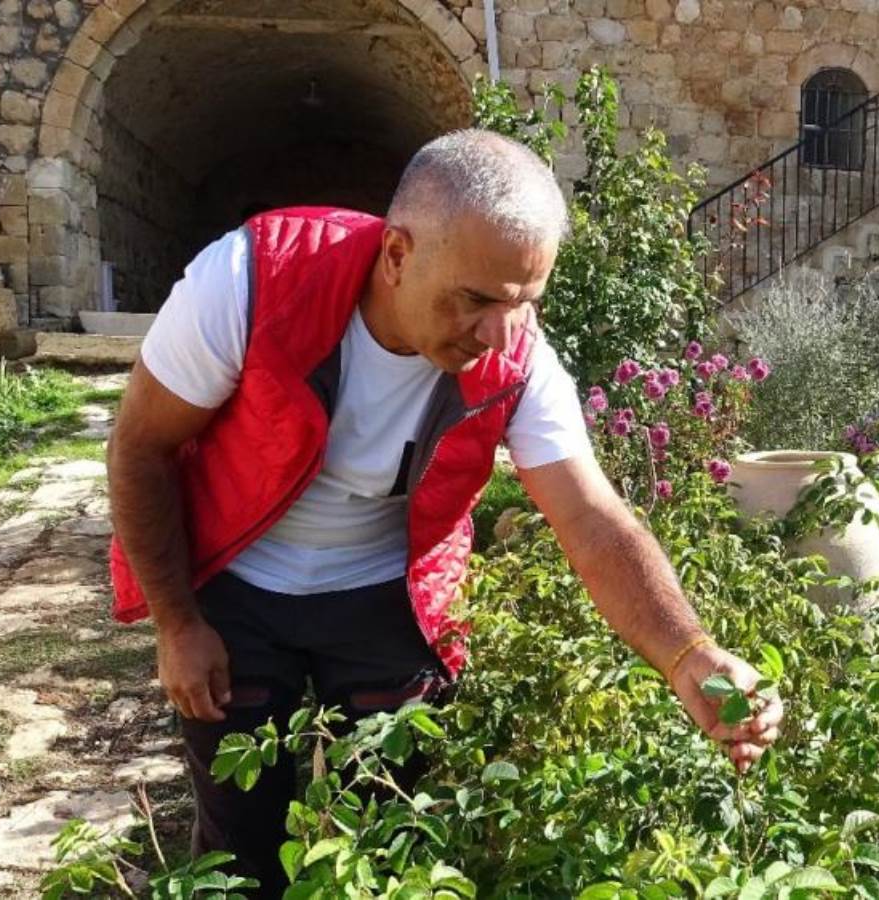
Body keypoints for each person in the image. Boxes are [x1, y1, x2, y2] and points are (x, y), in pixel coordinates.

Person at [106, 129, 783, 894]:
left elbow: (592, 519)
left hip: (384, 594)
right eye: (476, 299)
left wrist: (690, 654)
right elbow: (140, 449)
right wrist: (176, 623)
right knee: (241, 847)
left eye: (525, 303)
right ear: (396, 254)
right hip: (235, 580)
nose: (499, 332)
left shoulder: (520, 357)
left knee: (391, 838)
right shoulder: (251, 279)